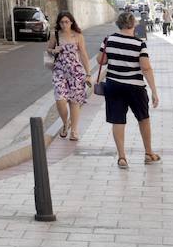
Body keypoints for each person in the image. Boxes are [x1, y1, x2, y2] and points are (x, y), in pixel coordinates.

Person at [98, 10, 161, 169]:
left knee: (118, 120)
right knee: (143, 118)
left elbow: (102, 60)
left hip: (114, 85)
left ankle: (122, 157)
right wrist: (154, 90)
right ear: (133, 24)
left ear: (118, 24)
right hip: (135, 87)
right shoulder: (139, 44)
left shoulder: (108, 40)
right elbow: (145, 68)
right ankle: (148, 153)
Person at [46, 10, 91, 140]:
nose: (64, 24)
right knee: (60, 99)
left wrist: (88, 74)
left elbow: (83, 54)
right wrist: (54, 50)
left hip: (75, 72)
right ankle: (66, 123)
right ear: (59, 23)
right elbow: (48, 50)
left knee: (74, 101)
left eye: (66, 22)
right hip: (59, 71)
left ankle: (74, 130)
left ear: (71, 22)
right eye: (62, 22)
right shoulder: (55, 35)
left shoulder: (78, 36)